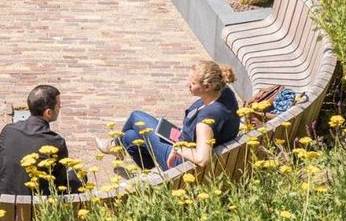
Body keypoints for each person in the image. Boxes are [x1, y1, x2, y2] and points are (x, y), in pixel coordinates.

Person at [96, 60, 240, 172]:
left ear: (207, 86)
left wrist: (178, 149)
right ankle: (138, 161)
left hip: (180, 163)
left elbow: (203, 159)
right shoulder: (224, 93)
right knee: (130, 137)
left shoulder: (205, 122)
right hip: (183, 141)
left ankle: (115, 145)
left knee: (136, 117)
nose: (187, 85)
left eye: (192, 83)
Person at [0, 84, 82, 195]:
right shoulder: (55, 142)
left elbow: (1, 164)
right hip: (36, 207)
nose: (60, 108)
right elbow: (60, 183)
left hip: (4, 202)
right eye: (58, 106)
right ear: (48, 113)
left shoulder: (7, 131)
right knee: (78, 175)